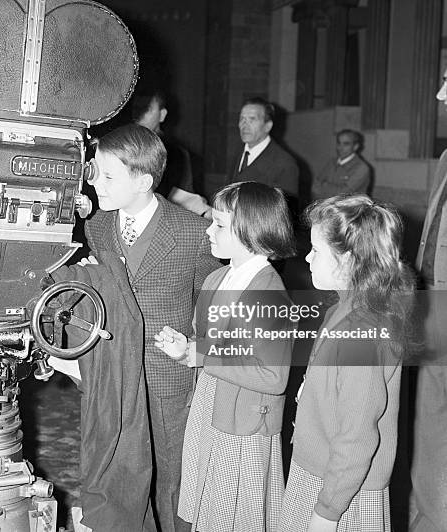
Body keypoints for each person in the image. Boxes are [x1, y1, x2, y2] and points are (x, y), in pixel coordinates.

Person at [85, 124, 221, 532]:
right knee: (121, 476)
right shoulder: (97, 226)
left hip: (167, 380)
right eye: (95, 172)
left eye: (109, 177)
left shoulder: (194, 233)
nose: (97, 184)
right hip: (114, 380)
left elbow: (212, 309)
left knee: (172, 481)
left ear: (143, 181)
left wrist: (193, 351)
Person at [154, 181, 295, 531]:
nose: (208, 229)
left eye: (218, 224)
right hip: (209, 404)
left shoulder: (268, 293)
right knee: (210, 510)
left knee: (235, 517)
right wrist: (186, 347)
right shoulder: (219, 277)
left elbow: (273, 377)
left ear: (250, 232)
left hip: (243, 423)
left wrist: (201, 354)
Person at [278, 195, 415, 532]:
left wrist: (326, 514)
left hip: (341, 491)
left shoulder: (361, 334)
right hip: (318, 470)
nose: (307, 258)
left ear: (349, 260)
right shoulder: (341, 309)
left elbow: (356, 438)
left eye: (317, 251)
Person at [409, 68, 447, 532]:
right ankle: (428, 519)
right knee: (428, 422)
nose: (440, 93)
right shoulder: (444, 158)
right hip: (433, 304)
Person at [133, 90, 212, 218]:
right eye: (137, 108)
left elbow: (186, 198)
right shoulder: (121, 146)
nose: (140, 114)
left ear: (162, 115)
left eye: (148, 109)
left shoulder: (176, 154)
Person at [229, 97, 299, 203]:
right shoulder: (238, 153)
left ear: (267, 126)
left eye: (252, 119)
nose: (244, 125)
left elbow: (283, 214)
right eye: (242, 119)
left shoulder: (285, 164)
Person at [311, 129, 371, 200]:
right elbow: (314, 187)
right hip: (325, 208)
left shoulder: (362, 168)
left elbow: (343, 194)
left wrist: (323, 186)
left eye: (346, 144)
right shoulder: (331, 162)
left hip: (348, 210)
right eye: (339, 143)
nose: (340, 148)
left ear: (355, 147)